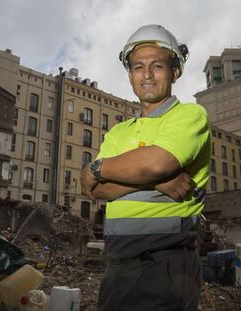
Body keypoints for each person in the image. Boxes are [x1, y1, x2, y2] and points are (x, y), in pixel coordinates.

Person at [80, 24, 211, 311]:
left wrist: (97, 167)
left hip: (164, 265)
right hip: (116, 267)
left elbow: (156, 162)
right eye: (138, 67)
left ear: (175, 72)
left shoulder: (190, 116)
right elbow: (95, 189)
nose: (147, 75)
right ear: (130, 76)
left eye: (157, 66)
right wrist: (154, 181)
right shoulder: (118, 132)